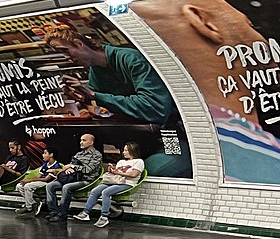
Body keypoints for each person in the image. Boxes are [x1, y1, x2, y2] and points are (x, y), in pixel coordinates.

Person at [131, 0, 280, 184]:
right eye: (250, 25)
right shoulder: (271, 167)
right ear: (203, 22)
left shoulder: (177, 130)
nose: (262, 39)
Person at [44, 25, 190, 177]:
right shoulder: (96, 70)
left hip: (168, 134)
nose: (66, 57)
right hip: (135, 139)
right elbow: (100, 107)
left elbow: (155, 108)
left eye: (65, 50)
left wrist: (95, 95)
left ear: (79, 44)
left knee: (157, 171)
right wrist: (84, 100)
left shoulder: (131, 59)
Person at [74, 142, 144, 227]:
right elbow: (117, 174)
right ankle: (85, 213)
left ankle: (104, 217)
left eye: (126, 150)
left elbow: (134, 175)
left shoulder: (139, 161)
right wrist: (112, 170)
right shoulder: (121, 161)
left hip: (128, 183)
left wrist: (118, 172)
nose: (123, 152)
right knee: (95, 191)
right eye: (124, 150)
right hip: (115, 181)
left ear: (132, 151)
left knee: (106, 192)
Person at [46, 132, 104, 222]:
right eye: (80, 140)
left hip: (86, 180)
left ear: (91, 142)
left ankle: (62, 215)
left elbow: (88, 170)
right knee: (50, 185)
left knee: (66, 187)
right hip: (73, 177)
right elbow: (70, 166)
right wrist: (68, 169)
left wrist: (73, 167)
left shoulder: (97, 155)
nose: (81, 142)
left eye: (84, 140)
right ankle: (53, 212)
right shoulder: (78, 154)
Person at [15, 147, 63, 216]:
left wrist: (30, 181)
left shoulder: (56, 166)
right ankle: (35, 202)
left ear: (51, 155)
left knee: (27, 186)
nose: (43, 155)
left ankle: (29, 207)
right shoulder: (45, 164)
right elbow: (39, 176)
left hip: (47, 183)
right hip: (40, 181)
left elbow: (46, 179)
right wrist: (28, 181)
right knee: (19, 186)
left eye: (45, 153)